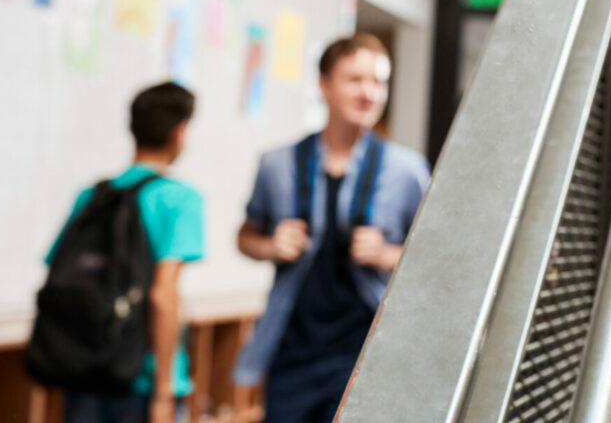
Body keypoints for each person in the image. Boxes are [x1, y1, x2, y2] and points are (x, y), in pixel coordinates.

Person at [233, 34, 431, 423]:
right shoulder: (277, 164)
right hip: (291, 353)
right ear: (324, 85)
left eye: (378, 82)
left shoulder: (408, 171)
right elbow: (244, 236)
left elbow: (436, 262)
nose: (369, 93)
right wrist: (271, 246)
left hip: (365, 356)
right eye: (355, 80)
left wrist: (389, 255)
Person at [48, 83, 204, 423]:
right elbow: (162, 295)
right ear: (181, 131)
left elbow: (57, 277)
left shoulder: (92, 195)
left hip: (84, 369)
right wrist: (164, 392)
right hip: (141, 377)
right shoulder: (179, 199)